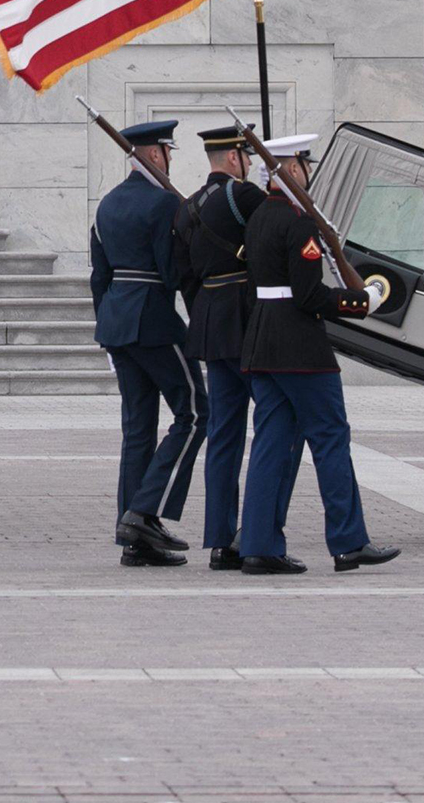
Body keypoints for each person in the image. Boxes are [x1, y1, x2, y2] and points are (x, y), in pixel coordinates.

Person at [236, 134, 398, 575]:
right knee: (330, 440)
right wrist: (358, 303)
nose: (309, 172)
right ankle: (348, 542)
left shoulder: (259, 217)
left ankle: (258, 546)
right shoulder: (300, 223)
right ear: (291, 169)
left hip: (262, 343)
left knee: (271, 446)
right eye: (304, 165)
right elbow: (308, 295)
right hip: (300, 349)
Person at [90, 119, 201, 566]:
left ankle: (133, 539)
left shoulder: (107, 205)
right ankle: (145, 512)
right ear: (154, 154)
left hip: (116, 321)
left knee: (137, 429)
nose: (170, 158)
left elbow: (99, 276)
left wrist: (108, 323)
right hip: (154, 320)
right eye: (168, 151)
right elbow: (172, 273)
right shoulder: (161, 204)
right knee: (195, 413)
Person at [177, 124, 266, 570]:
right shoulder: (244, 197)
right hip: (247, 321)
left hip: (210, 323)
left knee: (224, 436)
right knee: (272, 426)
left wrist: (207, 314)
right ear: (234, 158)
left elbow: (186, 278)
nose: (248, 164)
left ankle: (218, 538)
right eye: (246, 157)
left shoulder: (188, 207)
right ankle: (255, 534)